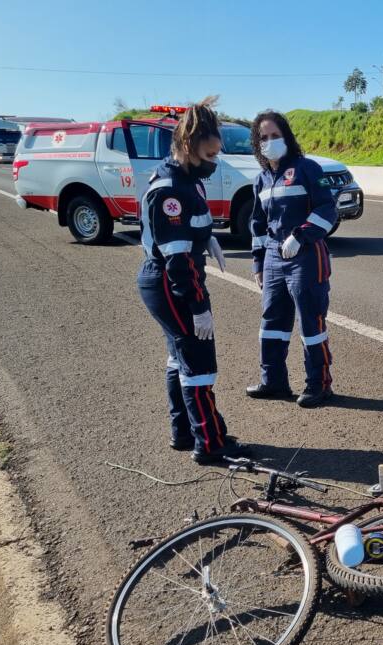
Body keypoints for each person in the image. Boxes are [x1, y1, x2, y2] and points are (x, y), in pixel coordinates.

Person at [136, 97, 247, 465]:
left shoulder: (186, 178)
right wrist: (198, 307)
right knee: (198, 362)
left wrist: (207, 238)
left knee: (178, 357)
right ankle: (210, 442)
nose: (213, 163)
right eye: (208, 156)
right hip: (172, 283)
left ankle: (183, 432)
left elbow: (188, 233)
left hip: (170, 278)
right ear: (187, 146)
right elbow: (178, 262)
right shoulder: (171, 188)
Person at [246, 111, 337, 408]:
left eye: (275, 136)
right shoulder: (261, 180)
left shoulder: (306, 168)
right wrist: (259, 263)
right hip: (274, 256)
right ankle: (273, 381)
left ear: (287, 137)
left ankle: (319, 385)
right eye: (263, 138)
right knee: (272, 320)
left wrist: (301, 235)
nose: (270, 142)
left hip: (306, 255)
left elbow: (328, 209)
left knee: (311, 320)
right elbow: (258, 225)